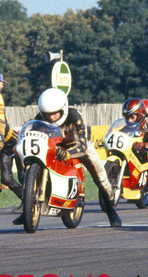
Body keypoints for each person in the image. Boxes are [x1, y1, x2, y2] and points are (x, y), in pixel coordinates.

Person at [18, 88, 121, 227]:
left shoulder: (74, 115)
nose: (51, 117)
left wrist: (69, 153)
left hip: (76, 147)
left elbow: (83, 145)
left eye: (55, 113)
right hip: (55, 147)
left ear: (63, 109)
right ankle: (28, 209)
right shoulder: (39, 118)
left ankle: (110, 209)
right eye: (47, 114)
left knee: (100, 175)